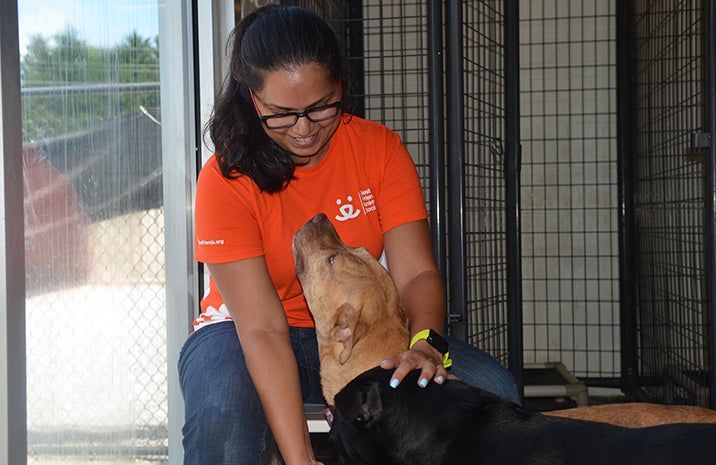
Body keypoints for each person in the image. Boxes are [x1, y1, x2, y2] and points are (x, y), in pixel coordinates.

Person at [178, 5, 520, 465]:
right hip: (243, 335)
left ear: (339, 86)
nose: (303, 129)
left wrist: (426, 345)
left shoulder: (379, 149)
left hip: (365, 333)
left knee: (496, 390)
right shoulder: (226, 180)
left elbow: (417, 273)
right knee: (221, 412)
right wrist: (300, 458)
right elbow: (262, 328)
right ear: (252, 99)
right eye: (281, 113)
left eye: (320, 107)